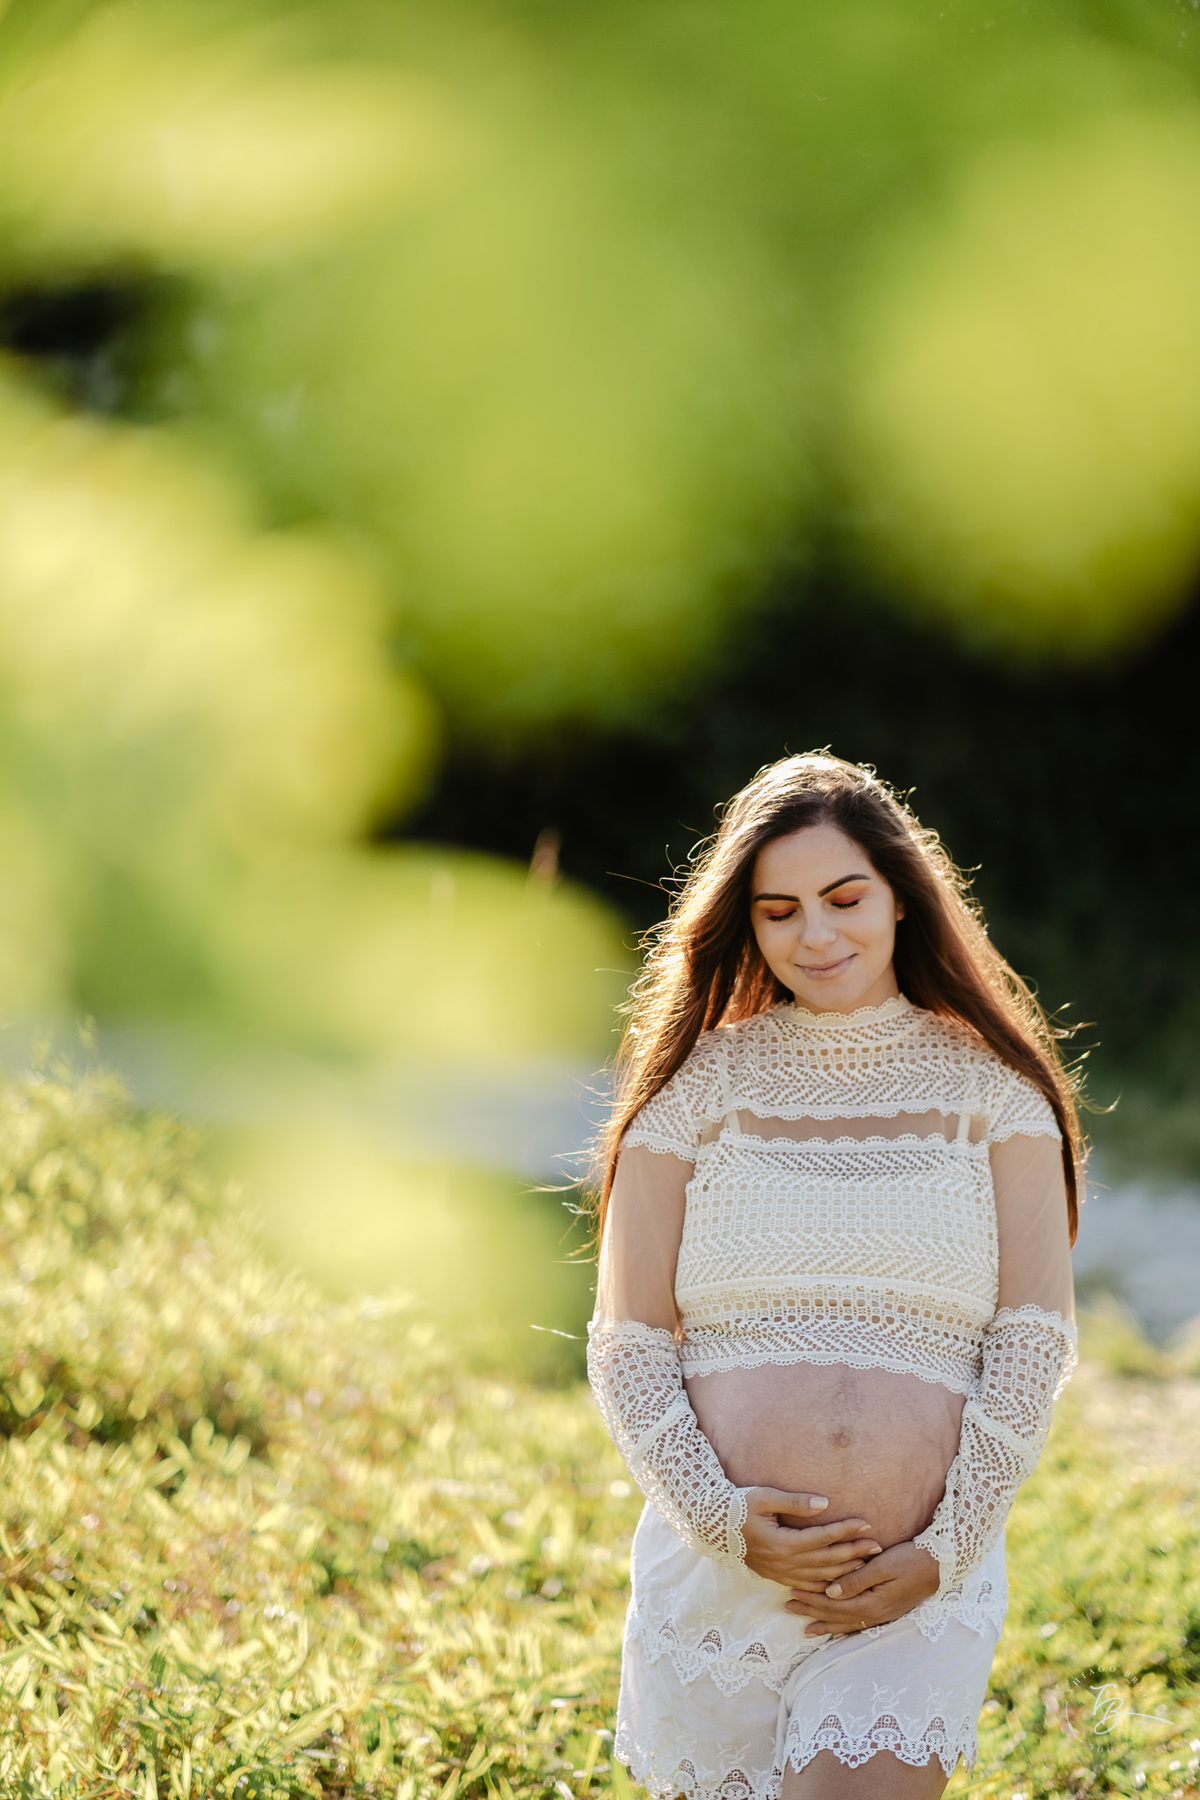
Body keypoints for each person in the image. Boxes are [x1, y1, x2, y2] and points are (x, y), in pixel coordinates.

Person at [586, 753, 1082, 1800]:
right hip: (718, 1576)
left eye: (844, 898)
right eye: (779, 911)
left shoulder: (997, 1094)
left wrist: (947, 1548)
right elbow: (627, 1338)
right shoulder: (695, 1087)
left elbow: (1033, 1337)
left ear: (904, 897)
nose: (816, 935)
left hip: (912, 1591)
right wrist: (719, 1519)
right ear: (749, 926)